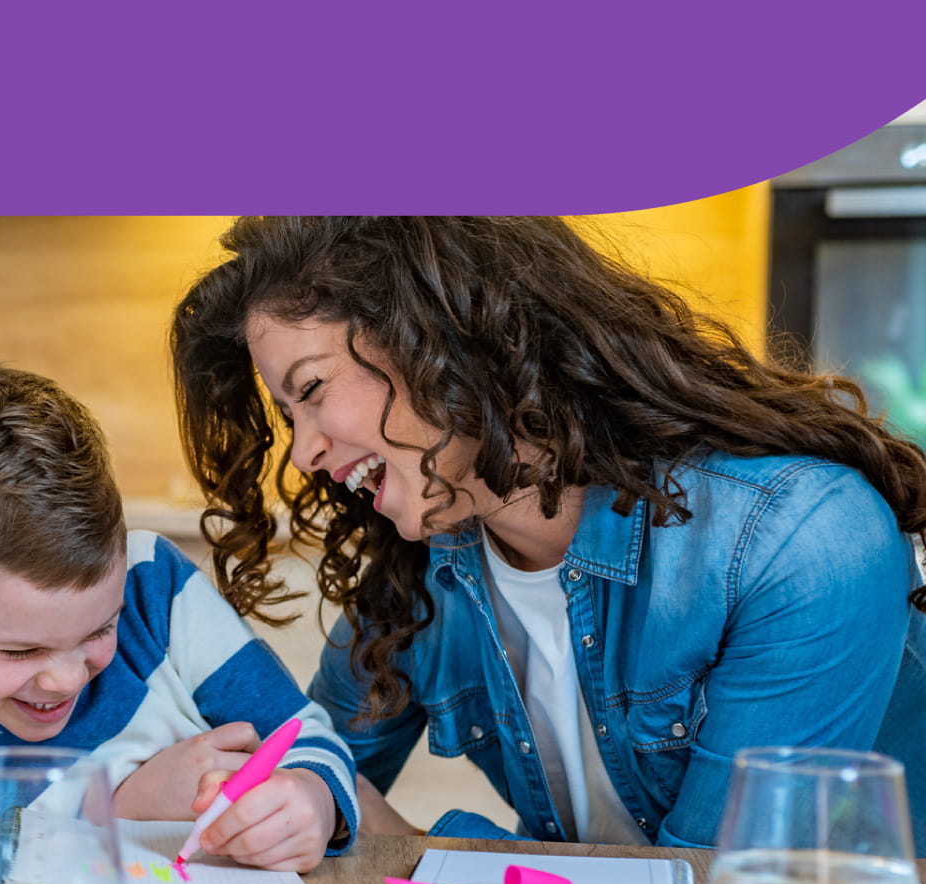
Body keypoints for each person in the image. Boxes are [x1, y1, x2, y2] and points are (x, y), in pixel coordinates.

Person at [169, 215, 926, 849]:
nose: (303, 453)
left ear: (440, 341)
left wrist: (430, 851)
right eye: (288, 416)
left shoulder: (800, 542)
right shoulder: (420, 568)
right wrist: (299, 802)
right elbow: (316, 756)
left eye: (310, 390)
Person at [0, 362, 358, 872]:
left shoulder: (152, 588)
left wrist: (312, 799)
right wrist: (120, 808)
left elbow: (306, 737)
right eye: (21, 650)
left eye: (101, 628)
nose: (67, 678)